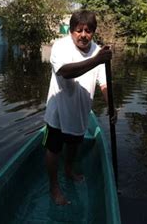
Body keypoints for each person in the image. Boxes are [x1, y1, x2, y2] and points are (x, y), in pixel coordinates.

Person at [43, 10, 114, 205]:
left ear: (93, 32)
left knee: (74, 144)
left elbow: (104, 84)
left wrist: (112, 107)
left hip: (80, 112)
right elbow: (65, 72)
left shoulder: (97, 51)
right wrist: (97, 60)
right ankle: (54, 187)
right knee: (53, 149)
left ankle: (68, 169)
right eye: (79, 30)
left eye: (88, 30)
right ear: (71, 31)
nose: (83, 35)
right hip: (58, 111)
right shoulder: (60, 46)